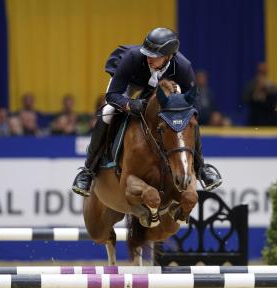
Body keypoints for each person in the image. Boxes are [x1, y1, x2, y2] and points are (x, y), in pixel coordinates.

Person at [72, 27, 222, 197]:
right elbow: (112, 95)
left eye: (155, 55)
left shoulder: (183, 67)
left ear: (169, 56)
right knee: (108, 112)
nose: (149, 58)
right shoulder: (133, 58)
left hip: (164, 88)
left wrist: (179, 109)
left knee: (189, 119)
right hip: (131, 84)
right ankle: (88, 171)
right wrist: (129, 105)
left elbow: (193, 104)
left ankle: (202, 167)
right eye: (148, 53)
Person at [243, 62, 277, 126]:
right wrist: (256, 92)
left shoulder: (271, 85)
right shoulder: (251, 85)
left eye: (264, 72)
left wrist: (268, 91)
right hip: (255, 116)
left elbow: (276, 101)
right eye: (260, 71)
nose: (262, 74)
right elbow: (246, 99)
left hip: (269, 115)